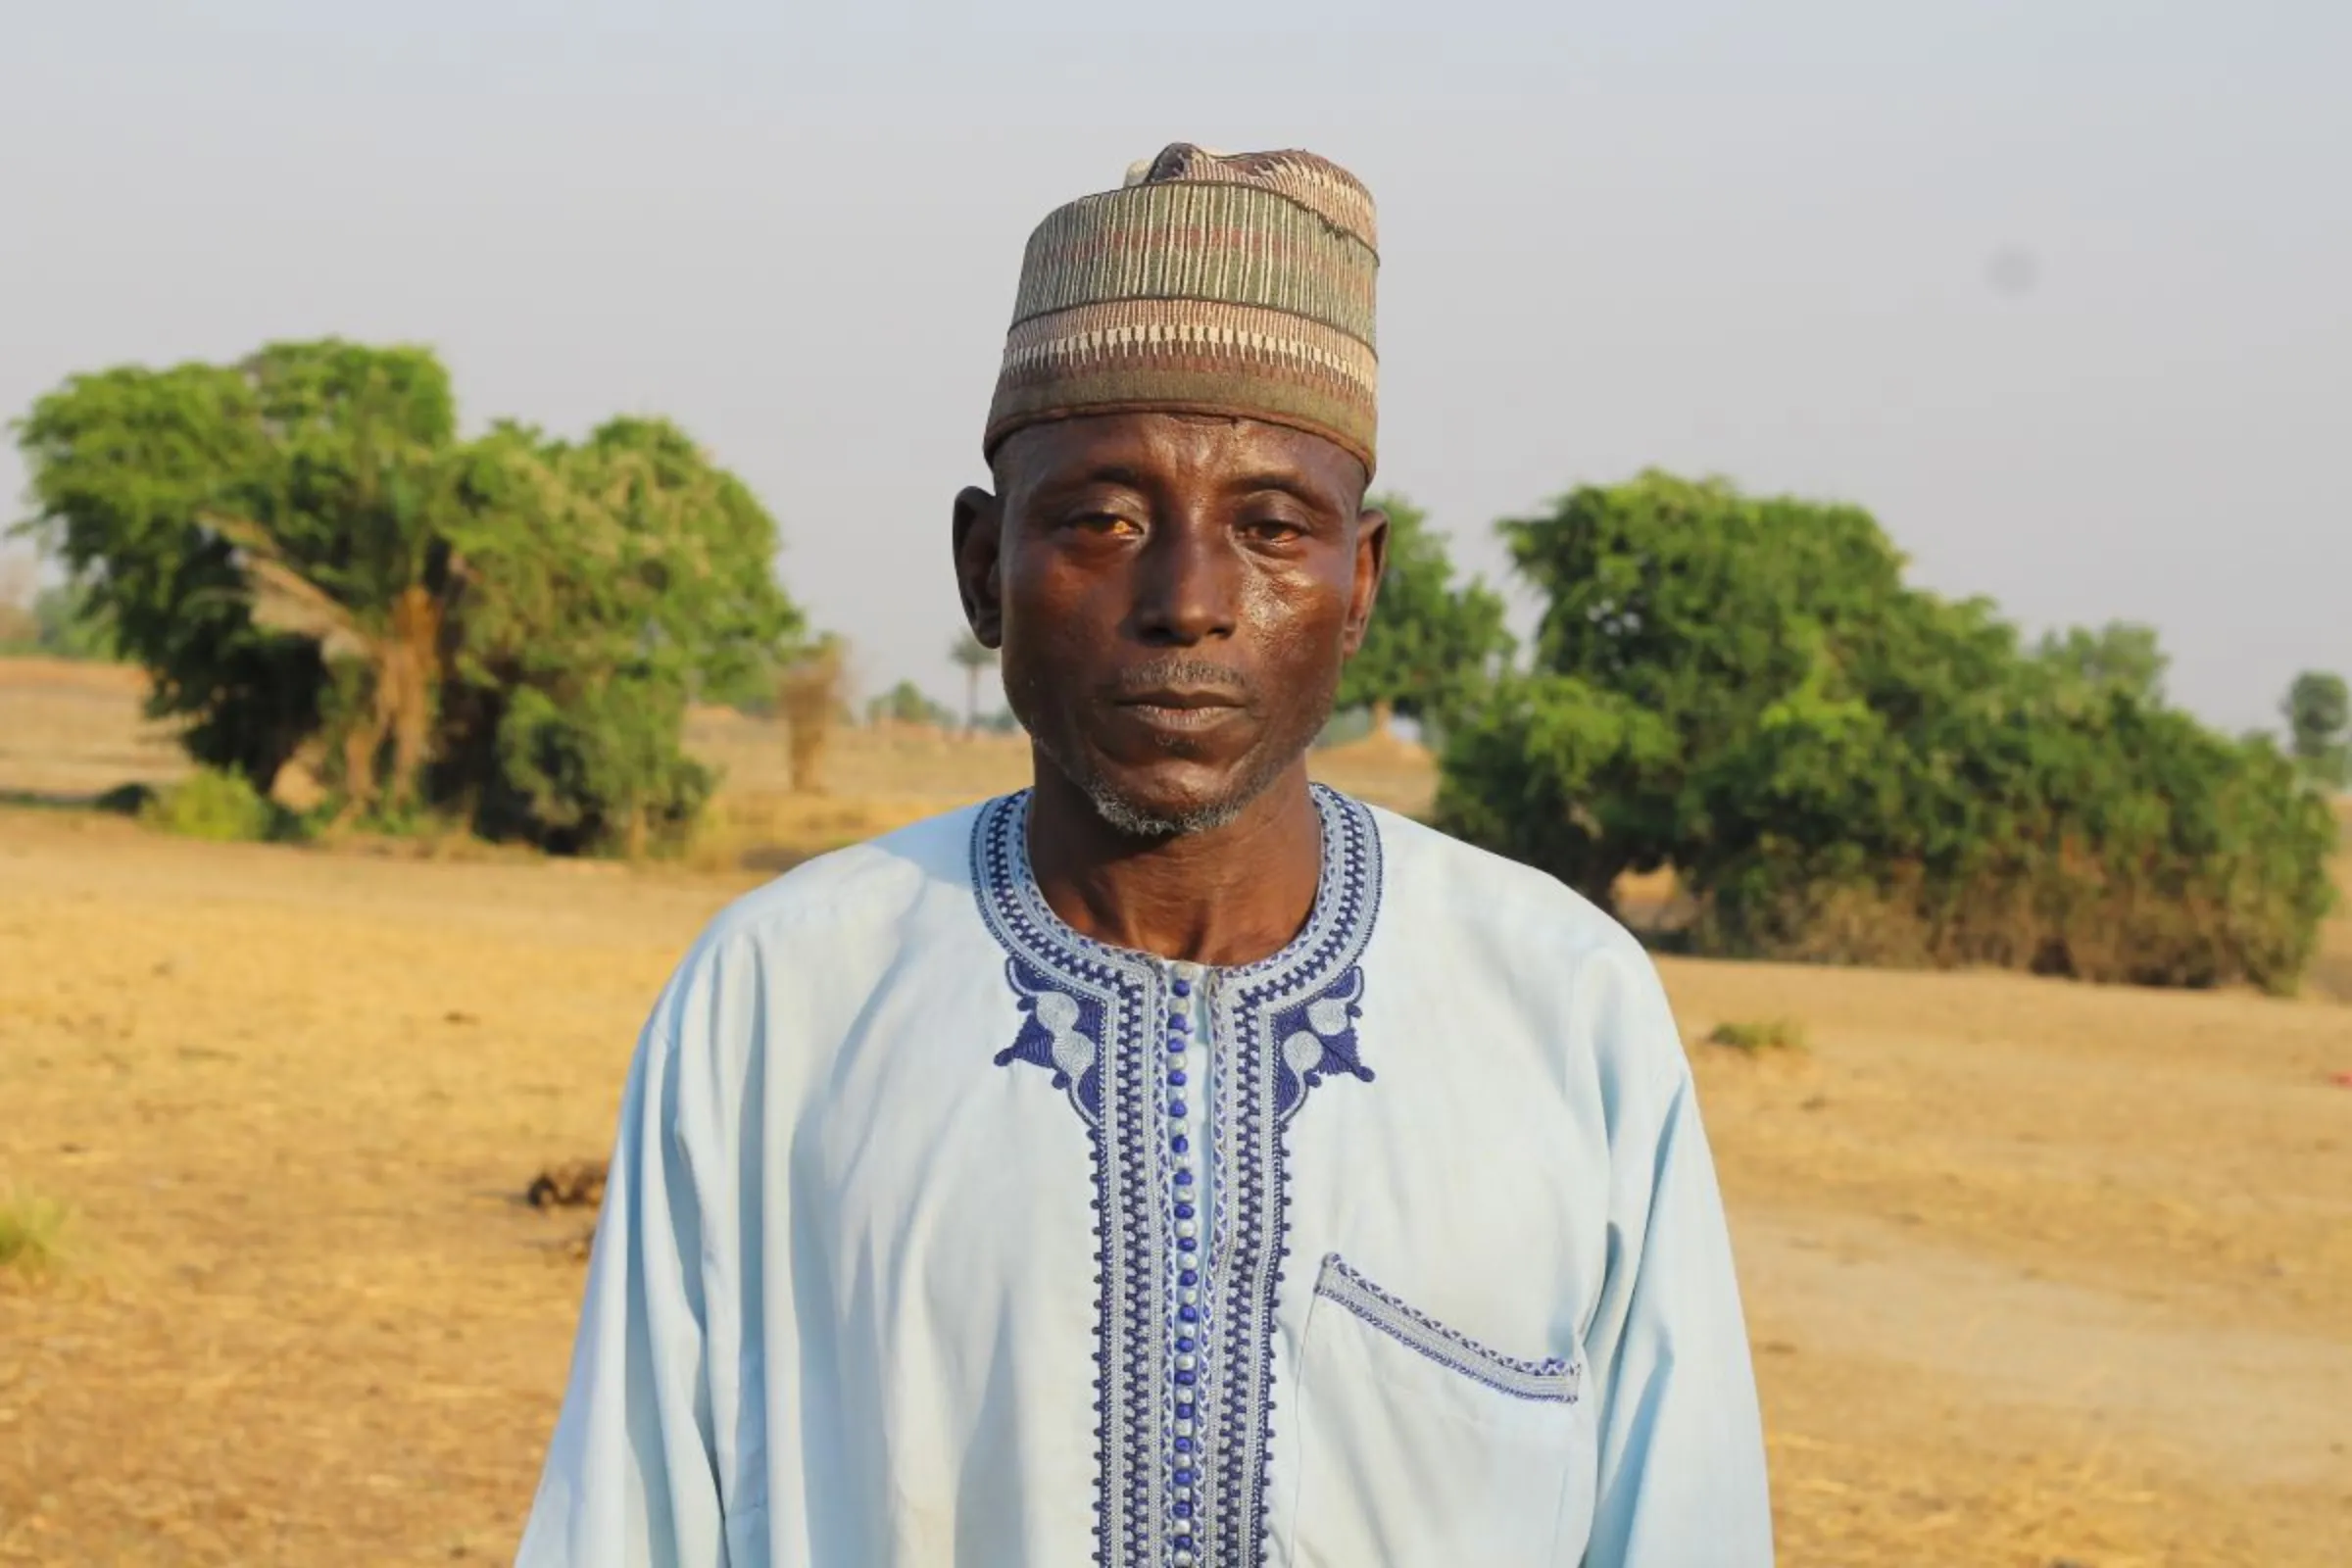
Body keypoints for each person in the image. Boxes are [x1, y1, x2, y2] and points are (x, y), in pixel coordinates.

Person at [515, 143, 1773, 1567]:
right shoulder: (785, 1000)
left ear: (1359, 587)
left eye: (1270, 528)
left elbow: (1682, 1523)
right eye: (1103, 520)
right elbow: (629, 1526)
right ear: (982, 568)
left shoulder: (1562, 1005)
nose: (1186, 602)